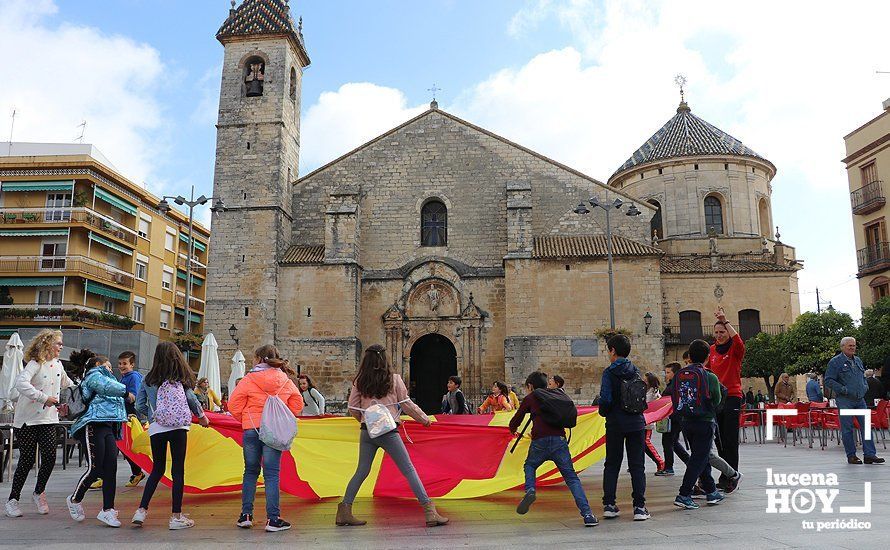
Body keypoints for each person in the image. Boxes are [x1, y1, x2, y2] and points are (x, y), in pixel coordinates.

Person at [336, 345, 448, 528]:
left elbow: (352, 407)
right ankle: (429, 510)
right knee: (408, 470)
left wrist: (366, 420)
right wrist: (424, 420)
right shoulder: (394, 379)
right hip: (388, 431)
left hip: (367, 431)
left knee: (362, 471)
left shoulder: (360, 381)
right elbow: (407, 404)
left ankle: (344, 510)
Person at [132, 342, 209, 529]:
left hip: (157, 427)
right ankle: (176, 516)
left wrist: (152, 416)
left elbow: (139, 405)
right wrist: (201, 416)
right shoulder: (180, 377)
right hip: (179, 428)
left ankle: (141, 511)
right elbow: (191, 399)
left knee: (157, 469)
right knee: (178, 471)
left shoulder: (148, 379)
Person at [228, 344, 304, 532]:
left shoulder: (249, 379)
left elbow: (233, 404)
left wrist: (246, 419)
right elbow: (297, 404)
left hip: (252, 428)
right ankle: (273, 519)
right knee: (271, 474)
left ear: (259, 359)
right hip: (273, 431)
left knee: (250, 471)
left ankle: (246, 515)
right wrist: (281, 416)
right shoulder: (285, 380)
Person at [510, 371, 597, 527]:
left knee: (530, 465)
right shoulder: (556, 395)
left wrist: (512, 429)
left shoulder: (531, 397)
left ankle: (530, 489)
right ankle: (588, 514)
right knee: (571, 478)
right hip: (559, 441)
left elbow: (517, 418)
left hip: (539, 442)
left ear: (530, 386)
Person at [5, 329, 72, 518]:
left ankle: (38, 492)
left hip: (48, 419)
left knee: (50, 458)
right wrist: (44, 398)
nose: (61, 346)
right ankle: (12, 500)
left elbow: (69, 383)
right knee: (26, 460)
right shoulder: (35, 364)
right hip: (27, 420)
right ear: (47, 344)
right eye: (58, 343)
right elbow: (20, 384)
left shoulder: (58, 365)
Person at [65, 355, 128, 527]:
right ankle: (75, 499)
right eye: (108, 365)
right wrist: (126, 391)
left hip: (108, 426)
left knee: (111, 469)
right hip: (93, 424)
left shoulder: (111, 380)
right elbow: (107, 387)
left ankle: (108, 510)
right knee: (95, 467)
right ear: (99, 365)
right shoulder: (94, 375)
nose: (111, 369)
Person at [598, 334, 649, 521]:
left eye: (608, 351)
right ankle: (639, 507)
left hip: (615, 423)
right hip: (636, 423)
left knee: (612, 464)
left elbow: (605, 399)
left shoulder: (609, 372)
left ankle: (609, 505)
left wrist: (604, 412)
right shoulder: (635, 371)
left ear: (613, 351)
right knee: (637, 466)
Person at [672, 339, 726, 510]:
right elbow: (716, 400)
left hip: (686, 421)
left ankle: (711, 491)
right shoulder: (710, 376)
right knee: (698, 458)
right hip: (704, 421)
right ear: (707, 357)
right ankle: (684, 494)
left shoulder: (680, 374)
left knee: (699, 456)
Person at [825, 337, 885, 465]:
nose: (852, 348)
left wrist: (865, 386)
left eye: (854, 345)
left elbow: (862, 377)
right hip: (845, 400)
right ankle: (851, 455)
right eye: (849, 346)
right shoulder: (835, 362)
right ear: (842, 347)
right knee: (848, 429)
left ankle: (870, 454)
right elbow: (828, 380)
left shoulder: (858, 360)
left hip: (860, 399)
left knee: (866, 427)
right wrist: (843, 389)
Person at [707, 307, 745, 489]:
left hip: (732, 396)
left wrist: (725, 320)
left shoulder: (735, 348)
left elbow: (738, 339)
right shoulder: (712, 350)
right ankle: (726, 473)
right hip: (717, 399)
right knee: (719, 439)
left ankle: (732, 476)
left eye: (722, 332)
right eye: (716, 332)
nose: (719, 335)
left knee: (730, 438)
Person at [118, 351, 146, 487]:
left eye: (125, 363)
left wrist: (118, 393)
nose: (121, 366)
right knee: (125, 447)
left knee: (129, 447)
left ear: (132, 365)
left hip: (131, 416)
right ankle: (137, 472)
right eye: (120, 363)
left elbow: (133, 397)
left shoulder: (133, 377)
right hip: (125, 416)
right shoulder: (124, 377)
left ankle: (138, 472)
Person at [656, 362, 686, 477]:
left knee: (667, 442)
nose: (666, 375)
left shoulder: (673, 386)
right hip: (675, 419)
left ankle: (669, 467)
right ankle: (687, 461)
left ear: (675, 373)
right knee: (673, 442)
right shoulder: (676, 384)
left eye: (668, 372)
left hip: (673, 419)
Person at [643, 372, 665, 474]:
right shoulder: (647, 391)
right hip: (642, 421)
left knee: (645, 443)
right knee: (640, 444)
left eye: (646, 380)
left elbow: (648, 405)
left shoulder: (653, 393)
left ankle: (660, 462)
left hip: (647, 422)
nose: (644, 381)